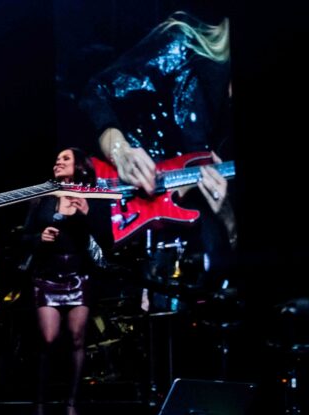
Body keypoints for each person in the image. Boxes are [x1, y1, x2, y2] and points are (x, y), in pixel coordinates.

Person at [80, 12, 235, 283]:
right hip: (141, 222)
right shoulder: (184, 45)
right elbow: (97, 91)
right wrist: (119, 149)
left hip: (208, 256)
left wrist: (230, 220)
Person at [23, 148, 112, 415]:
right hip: (47, 276)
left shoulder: (94, 197)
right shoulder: (43, 197)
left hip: (78, 275)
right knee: (48, 338)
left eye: (65, 159)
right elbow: (24, 236)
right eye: (57, 159)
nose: (58, 162)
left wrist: (87, 214)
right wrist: (41, 236)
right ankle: (39, 404)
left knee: (76, 338)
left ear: (80, 167)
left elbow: (107, 240)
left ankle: (72, 404)